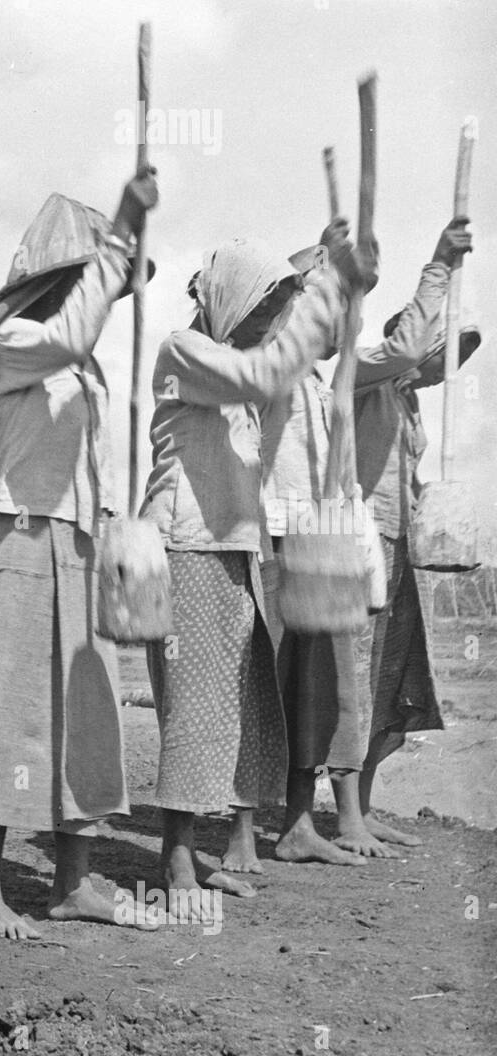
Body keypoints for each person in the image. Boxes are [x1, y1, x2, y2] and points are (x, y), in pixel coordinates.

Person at [0, 180, 158, 941]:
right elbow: (70, 334)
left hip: (81, 543)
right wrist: (123, 236)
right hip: (27, 541)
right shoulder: (17, 347)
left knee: (87, 718)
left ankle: (74, 882)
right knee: (12, 714)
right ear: (56, 285)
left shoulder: (88, 369)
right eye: (85, 283)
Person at [140, 223, 371, 909]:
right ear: (234, 301)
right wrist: (326, 296)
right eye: (267, 309)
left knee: (225, 712)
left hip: (232, 550)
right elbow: (266, 371)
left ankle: (195, 853)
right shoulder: (188, 351)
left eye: (278, 312)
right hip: (185, 546)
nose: (273, 324)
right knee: (188, 712)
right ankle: (175, 863)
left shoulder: (239, 377)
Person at [353, 219, 477, 845]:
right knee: (358, 674)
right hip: (360, 543)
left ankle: (364, 808)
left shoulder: (408, 404)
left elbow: (410, 484)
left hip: (398, 543)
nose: (436, 368)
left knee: (390, 678)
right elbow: (401, 351)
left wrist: (442, 520)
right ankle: (346, 815)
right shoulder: (366, 378)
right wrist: (438, 265)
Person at [256, 240, 371, 867]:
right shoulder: (273, 363)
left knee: (317, 687)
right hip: (275, 536)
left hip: (319, 542)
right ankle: (260, 822)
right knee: (273, 683)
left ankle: (300, 822)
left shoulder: (326, 384)